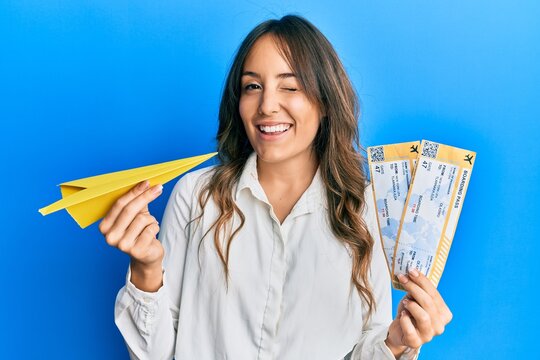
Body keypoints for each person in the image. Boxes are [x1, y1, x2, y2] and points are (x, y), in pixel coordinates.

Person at [100, 15, 452, 360]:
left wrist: (395, 342)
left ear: (325, 102)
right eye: (252, 86)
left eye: (290, 86)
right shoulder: (196, 196)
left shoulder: (365, 212)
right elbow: (152, 355)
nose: (267, 105)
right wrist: (146, 268)